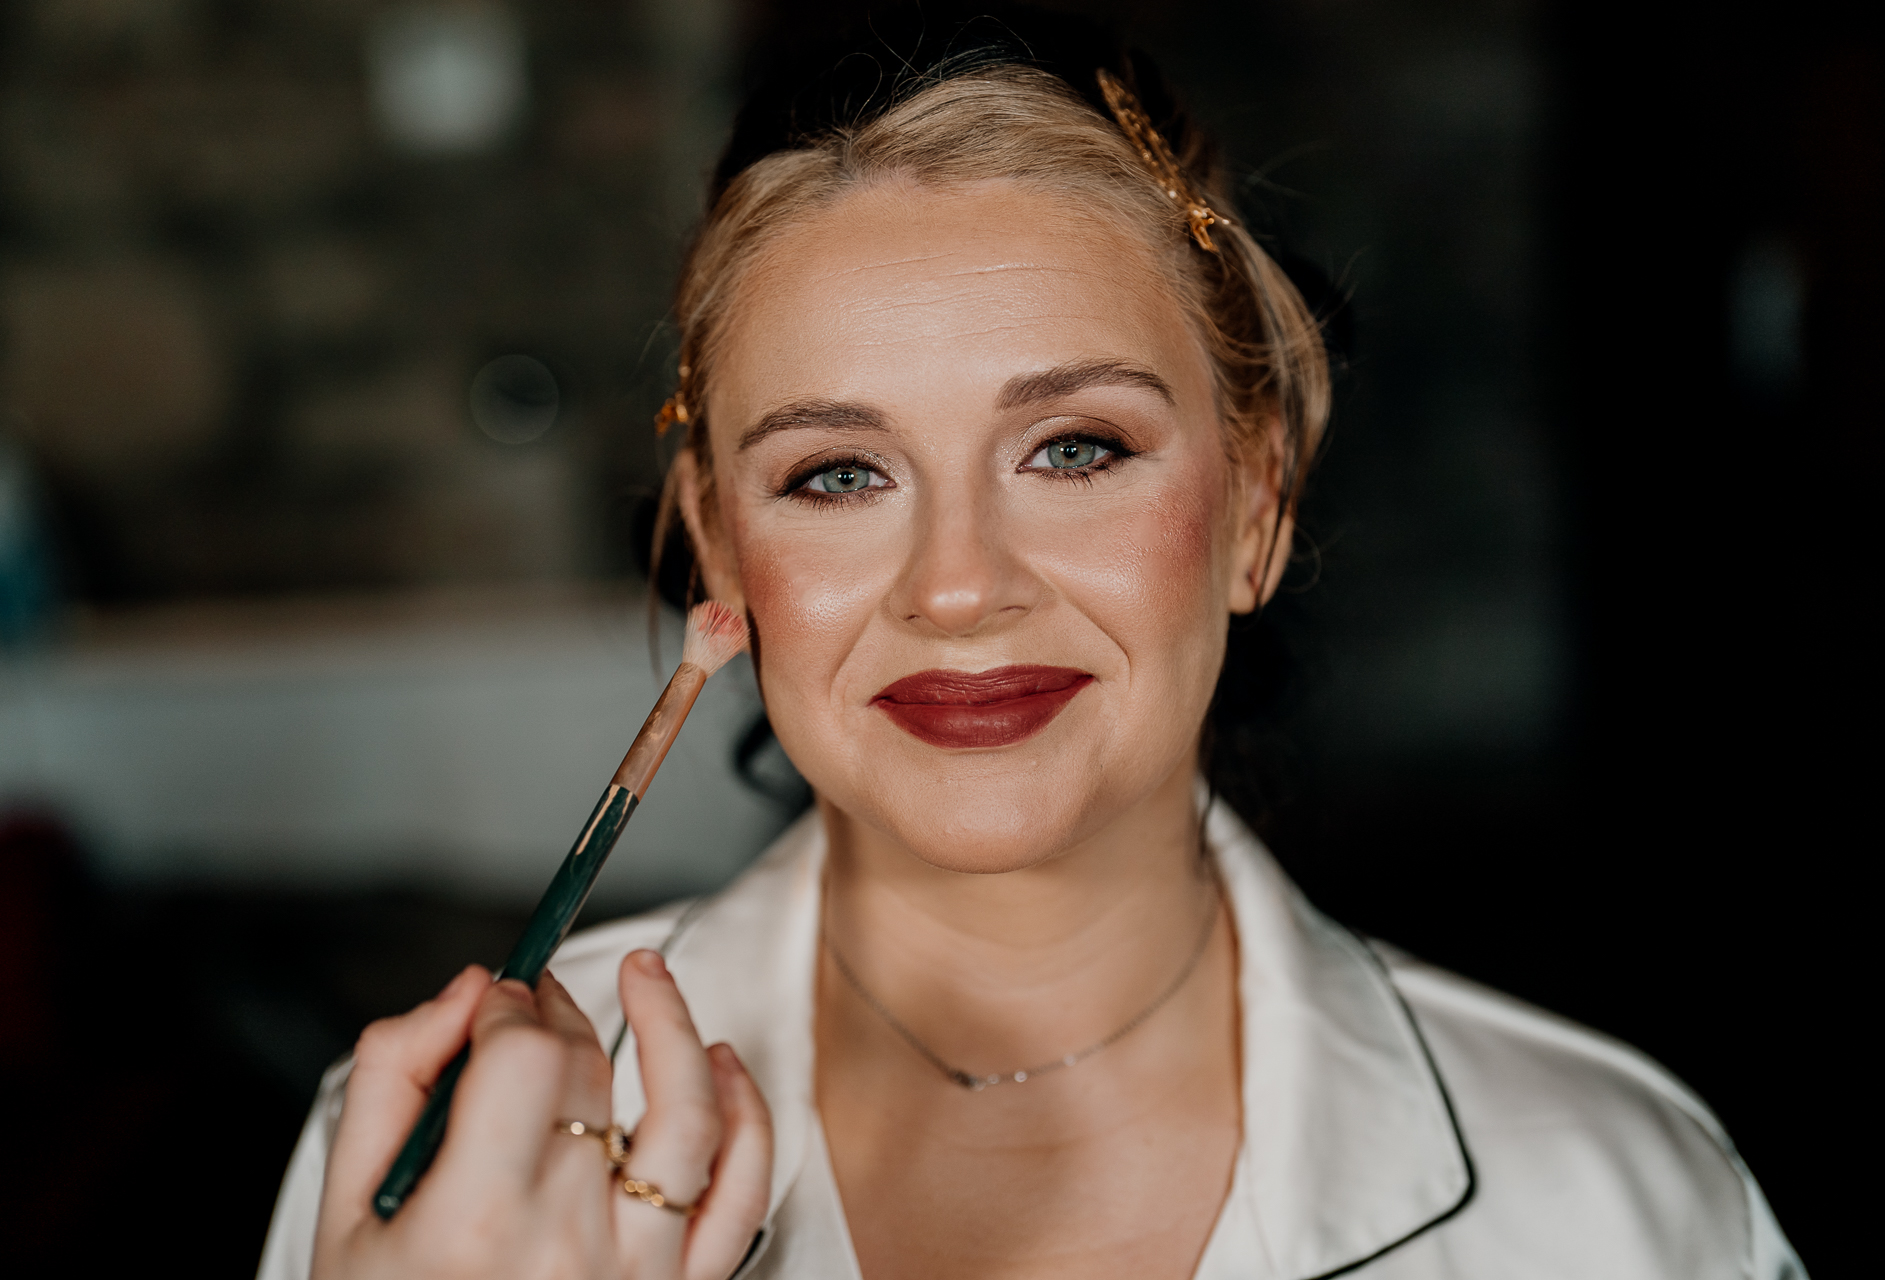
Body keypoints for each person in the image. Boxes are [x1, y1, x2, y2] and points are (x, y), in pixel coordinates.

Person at [259, 10, 1804, 1279]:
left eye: (1072, 448)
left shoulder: (1621, 1201)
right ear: (719, 550)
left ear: (1256, 503)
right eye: (836, 475)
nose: (956, 586)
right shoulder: (442, 1179)